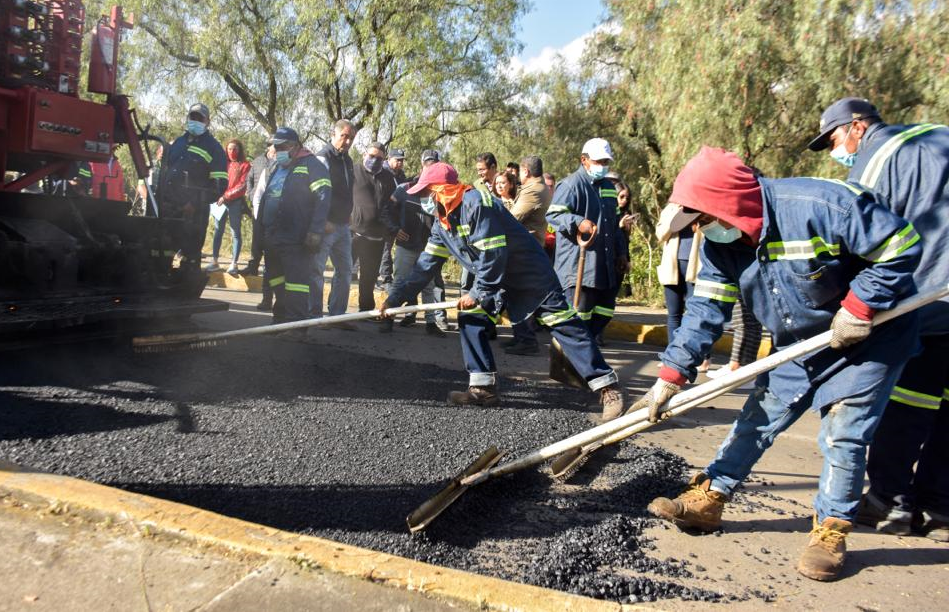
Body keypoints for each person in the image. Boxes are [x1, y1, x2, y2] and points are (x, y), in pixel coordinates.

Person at [641, 146, 922, 582]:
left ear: (730, 205)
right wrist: (671, 376)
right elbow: (704, 313)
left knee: (844, 434)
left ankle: (831, 531)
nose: (700, 231)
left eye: (702, 220)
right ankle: (710, 497)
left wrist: (861, 306)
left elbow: (902, 246)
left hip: (870, 340)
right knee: (758, 417)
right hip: (801, 340)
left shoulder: (822, 206)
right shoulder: (724, 247)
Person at [808, 97, 949, 542]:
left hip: (923, 300)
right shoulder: (938, 137)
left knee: (907, 399)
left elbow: (860, 238)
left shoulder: (877, 156)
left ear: (856, 127)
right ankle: (940, 506)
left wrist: (846, 308)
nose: (837, 151)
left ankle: (888, 501)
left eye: (833, 140)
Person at [381, 162, 624, 416]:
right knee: (472, 319)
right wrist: (395, 299)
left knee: (563, 323)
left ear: (443, 189)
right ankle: (483, 389)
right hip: (495, 279)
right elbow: (424, 268)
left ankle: (607, 387)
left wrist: (477, 292)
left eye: (427, 193)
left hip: (528, 274)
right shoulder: (442, 225)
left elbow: (494, 253)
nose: (424, 200)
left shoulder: (476, 204)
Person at [547, 138, 629, 346]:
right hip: (579, 267)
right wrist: (577, 222)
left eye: (605, 162)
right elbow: (554, 216)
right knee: (578, 316)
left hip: (604, 266)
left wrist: (622, 254)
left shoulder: (610, 188)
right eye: (598, 161)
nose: (602, 166)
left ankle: (586, 350)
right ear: (584, 160)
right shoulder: (570, 185)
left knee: (604, 312)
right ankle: (574, 356)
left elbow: (614, 225)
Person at [258, 127, 331, 326]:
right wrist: (260, 234)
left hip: (295, 237)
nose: (279, 150)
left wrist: (315, 231)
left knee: (296, 284)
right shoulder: (276, 167)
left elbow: (323, 198)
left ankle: (296, 325)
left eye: (283, 146)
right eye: (276, 146)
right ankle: (280, 320)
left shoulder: (311, 165)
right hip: (273, 235)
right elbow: (265, 199)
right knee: (277, 280)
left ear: (296, 145)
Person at [161, 103, 228, 275]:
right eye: (193, 117)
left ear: (208, 121)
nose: (196, 121)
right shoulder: (178, 143)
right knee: (161, 252)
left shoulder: (214, 148)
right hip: (168, 208)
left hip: (193, 213)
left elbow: (219, 185)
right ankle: (161, 286)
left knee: (189, 255)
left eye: (200, 118)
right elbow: (164, 172)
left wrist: (194, 203)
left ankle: (186, 291)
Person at [502, 155, 552, 356]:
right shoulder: (541, 188)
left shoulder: (533, 190)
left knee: (518, 295)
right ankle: (521, 337)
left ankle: (527, 339)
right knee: (514, 295)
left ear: (526, 171)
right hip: (528, 247)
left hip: (524, 249)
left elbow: (513, 217)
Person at [388, 173, 447, 337]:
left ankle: (431, 323)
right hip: (405, 246)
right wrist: (394, 229)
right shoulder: (403, 190)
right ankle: (388, 318)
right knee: (399, 281)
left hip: (427, 247)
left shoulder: (436, 193)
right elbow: (387, 211)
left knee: (428, 285)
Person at [312, 119, 356, 325]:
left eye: (351, 138)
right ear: (334, 134)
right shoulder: (323, 157)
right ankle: (313, 316)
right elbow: (317, 192)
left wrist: (348, 213)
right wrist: (323, 220)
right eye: (344, 136)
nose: (347, 141)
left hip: (343, 226)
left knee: (346, 271)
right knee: (316, 271)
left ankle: (337, 315)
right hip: (326, 225)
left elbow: (347, 191)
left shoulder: (347, 160)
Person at [350, 142, 398, 314]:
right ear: (364, 154)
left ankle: (365, 311)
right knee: (343, 273)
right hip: (353, 233)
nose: (374, 160)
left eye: (379, 158)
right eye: (371, 156)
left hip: (376, 237)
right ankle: (335, 311)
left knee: (369, 277)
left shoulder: (388, 178)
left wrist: (390, 229)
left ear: (384, 159)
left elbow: (393, 206)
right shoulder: (353, 171)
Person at [655, 202, 705, 361]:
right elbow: (660, 234)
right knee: (674, 314)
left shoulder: (703, 207)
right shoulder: (670, 209)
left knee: (694, 314)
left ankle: (700, 357)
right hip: (672, 268)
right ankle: (671, 357)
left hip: (696, 269)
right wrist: (676, 215)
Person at [207, 139, 251, 274]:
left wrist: (226, 196)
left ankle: (234, 263)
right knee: (218, 230)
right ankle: (214, 261)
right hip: (219, 201)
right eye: (230, 149)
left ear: (240, 150)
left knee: (235, 232)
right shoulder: (222, 163)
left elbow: (242, 186)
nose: (232, 152)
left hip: (235, 201)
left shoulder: (245, 165)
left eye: (235, 149)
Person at [249, 146, 277, 311]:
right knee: (270, 266)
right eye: (275, 150)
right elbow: (258, 196)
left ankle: (283, 303)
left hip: (288, 228)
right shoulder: (269, 171)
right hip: (268, 225)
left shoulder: (297, 170)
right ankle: (267, 299)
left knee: (283, 268)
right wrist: (261, 219)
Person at [240, 145, 275, 276]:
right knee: (257, 239)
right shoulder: (258, 161)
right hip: (257, 206)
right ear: (268, 147)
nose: (276, 149)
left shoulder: (281, 163)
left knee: (270, 241)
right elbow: (249, 179)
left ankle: (269, 269)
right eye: (273, 146)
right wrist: (250, 194)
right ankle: (253, 266)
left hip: (272, 208)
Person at [378, 148, 407, 291]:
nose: (400, 163)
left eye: (402, 160)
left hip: (397, 217)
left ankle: (397, 277)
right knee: (386, 248)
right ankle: (385, 278)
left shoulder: (401, 176)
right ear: (388, 159)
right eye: (397, 160)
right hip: (384, 215)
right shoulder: (383, 174)